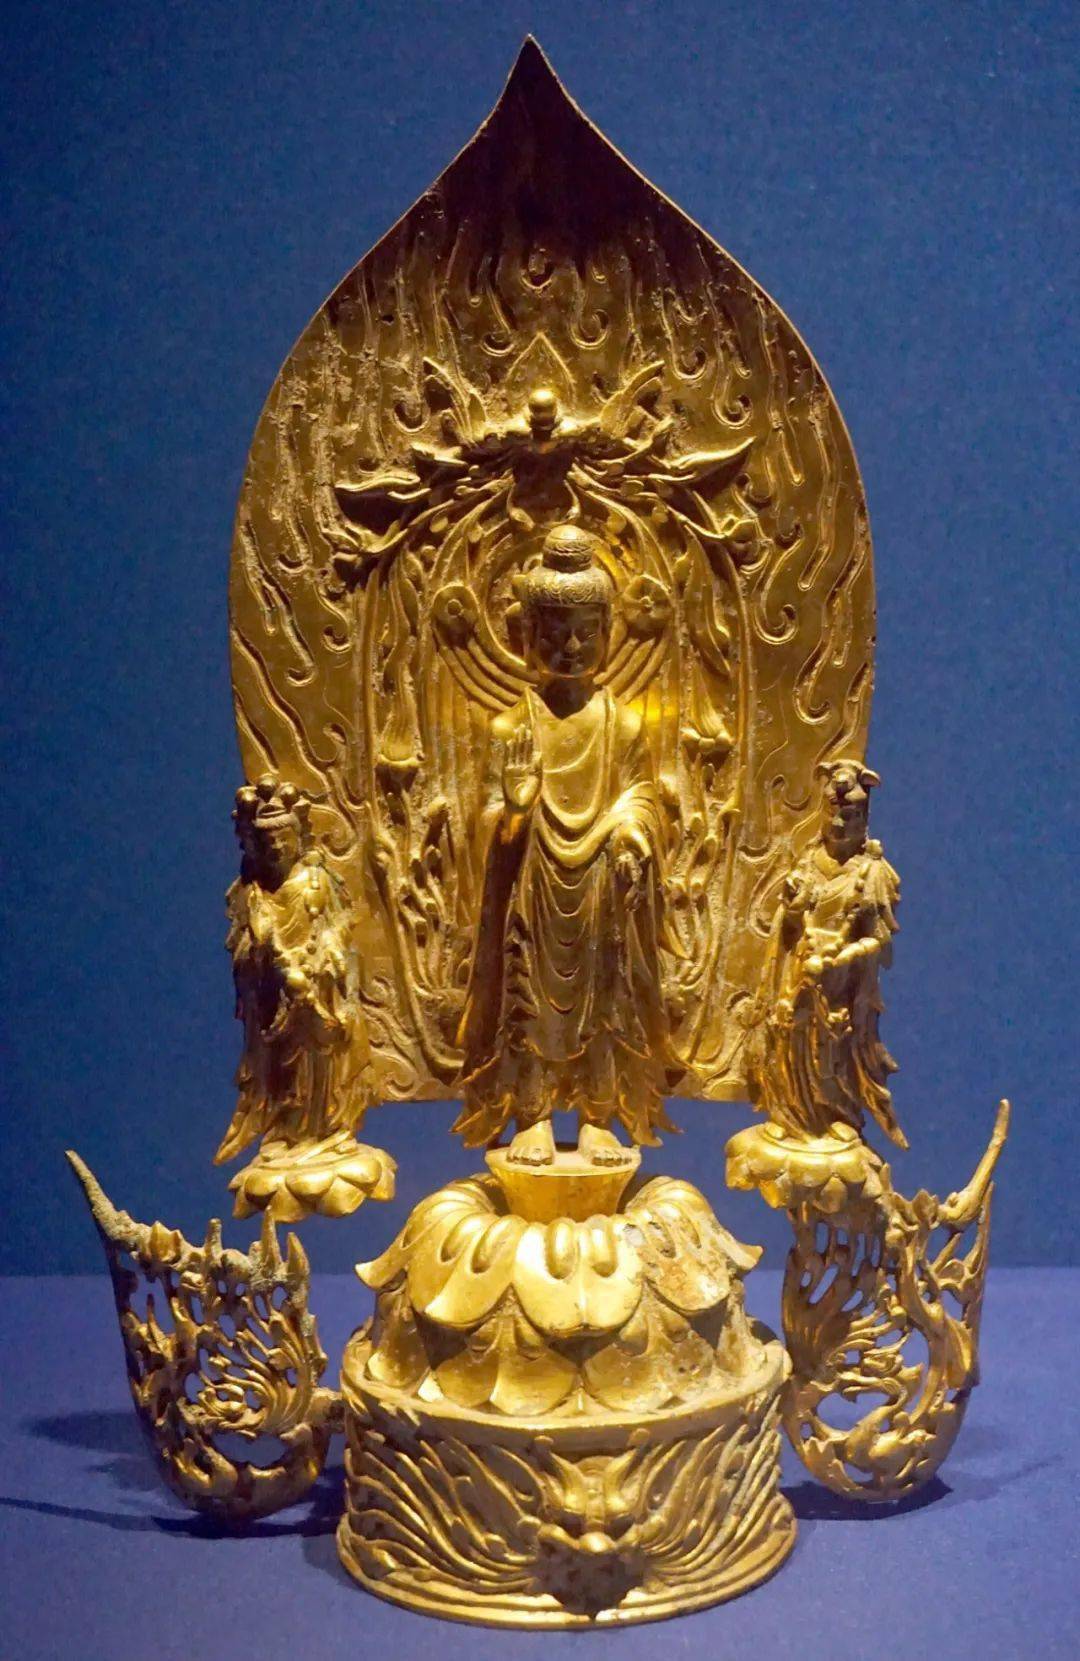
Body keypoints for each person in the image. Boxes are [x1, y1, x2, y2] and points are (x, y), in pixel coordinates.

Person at [453, 523, 679, 1166]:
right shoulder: (510, 728)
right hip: (532, 884)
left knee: (604, 1002)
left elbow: (641, 799)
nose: (572, 646)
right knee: (526, 1001)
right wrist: (514, 810)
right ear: (525, 635)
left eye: (586, 631)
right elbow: (484, 824)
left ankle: (599, 1116)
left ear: (608, 632)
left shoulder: (624, 725)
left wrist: (631, 831)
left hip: (602, 883)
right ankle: (532, 1115)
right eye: (555, 633)